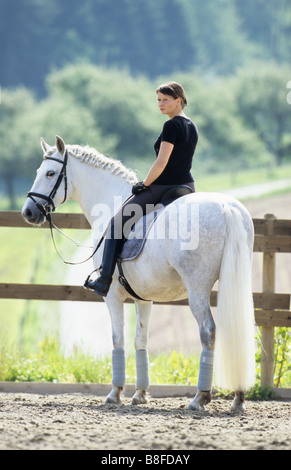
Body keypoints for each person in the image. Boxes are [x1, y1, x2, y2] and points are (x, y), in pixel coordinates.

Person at [84, 81, 199, 296]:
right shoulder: (192, 125)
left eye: (165, 100)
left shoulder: (171, 126)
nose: (161, 104)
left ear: (179, 100)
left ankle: (104, 278)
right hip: (187, 186)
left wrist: (144, 184)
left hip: (165, 186)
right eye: (158, 100)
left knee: (117, 223)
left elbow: (161, 163)